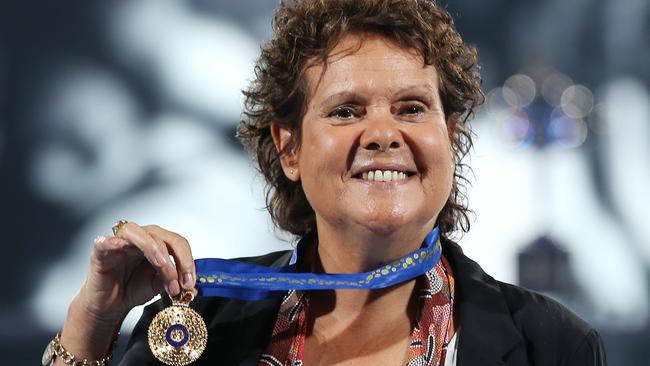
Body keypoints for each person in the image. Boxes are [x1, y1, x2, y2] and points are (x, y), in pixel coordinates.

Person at [43, 1, 607, 365]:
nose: (383, 133)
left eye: (412, 108)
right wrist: (92, 322)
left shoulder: (552, 347)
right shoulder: (197, 328)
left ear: (450, 137)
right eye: (345, 111)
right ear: (289, 147)